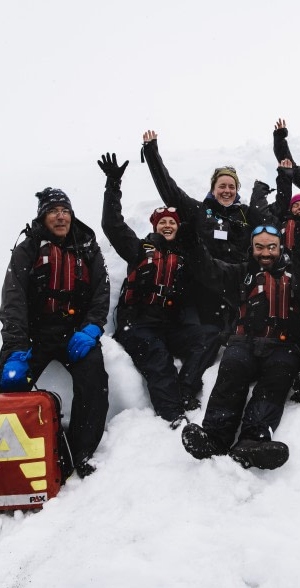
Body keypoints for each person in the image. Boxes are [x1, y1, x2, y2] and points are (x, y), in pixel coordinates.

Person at [180, 224, 300, 470]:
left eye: (271, 247)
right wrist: (192, 244)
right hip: (244, 342)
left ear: (280, 249)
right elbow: (209, 270)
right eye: (260, 247)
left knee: (276, 381)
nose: (265, 252)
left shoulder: (294, 275)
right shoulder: (241, 273)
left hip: (283, 345)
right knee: (231, 372)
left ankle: (253, 440)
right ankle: (214, 437)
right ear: (252, 248)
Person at [0, 187, 110, 478]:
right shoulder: (28, 249)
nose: (60, 217)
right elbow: (14, 300)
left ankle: (80, 453)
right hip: (36, 335)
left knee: (94, 382)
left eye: (65, 211)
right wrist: (17, 348)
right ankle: (3, 460)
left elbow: (101, 293)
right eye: (53, 211)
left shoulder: (87, 247)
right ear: (43, 217)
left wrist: (91, 328)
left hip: (75, 334)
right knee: (9, 385)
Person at [98, 153, 220, 428]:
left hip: (168, 325)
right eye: (162, 221)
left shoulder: (185, 259)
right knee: (158, 358)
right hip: (138, 323)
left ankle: (187, 389)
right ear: (155, 226)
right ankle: (173, 415)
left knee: (209, 336)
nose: (167, 225)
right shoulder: (139, 249)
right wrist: (112, 185)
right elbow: (112, 225)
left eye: (172, 222)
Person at [142, 130, 269, 265]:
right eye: (222, 186)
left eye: (232, 187)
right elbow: (171, 193)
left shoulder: (246, 213)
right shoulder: (200, 211)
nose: (227, 191)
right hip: (206, 280)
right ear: (213, 190)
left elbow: (271, 220)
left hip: (239, 280)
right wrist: (151, 153)